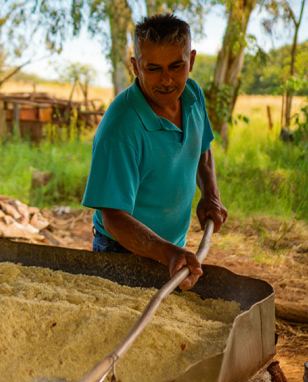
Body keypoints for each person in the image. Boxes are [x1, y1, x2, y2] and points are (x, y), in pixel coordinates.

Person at [81, 13, 228, 291]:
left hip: (171, 248)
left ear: (191, 61)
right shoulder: (121, 128)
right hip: (121, 250)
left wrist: (210, 194)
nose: (167, 80)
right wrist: (168, 253)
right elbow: (113, 218)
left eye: (176, 66)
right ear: (136, 67)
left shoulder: (192, 95)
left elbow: (201, 149)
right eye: (153, 69)